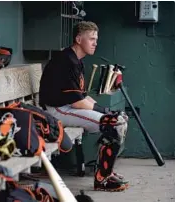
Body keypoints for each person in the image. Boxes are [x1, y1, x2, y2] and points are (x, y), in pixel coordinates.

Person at [39, 21, 129, 192]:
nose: (95, 43)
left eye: (96, 39)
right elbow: (77, 102)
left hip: (67, 107)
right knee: (115, 123)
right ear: (79, 39)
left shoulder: (77, 60)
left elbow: (83, 97)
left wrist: (105, 111)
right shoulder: (66, 61)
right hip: (56, 110)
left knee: (118, 119)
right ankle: (102, 179)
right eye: (92, 39)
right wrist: (105, 113)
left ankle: (106, 171)